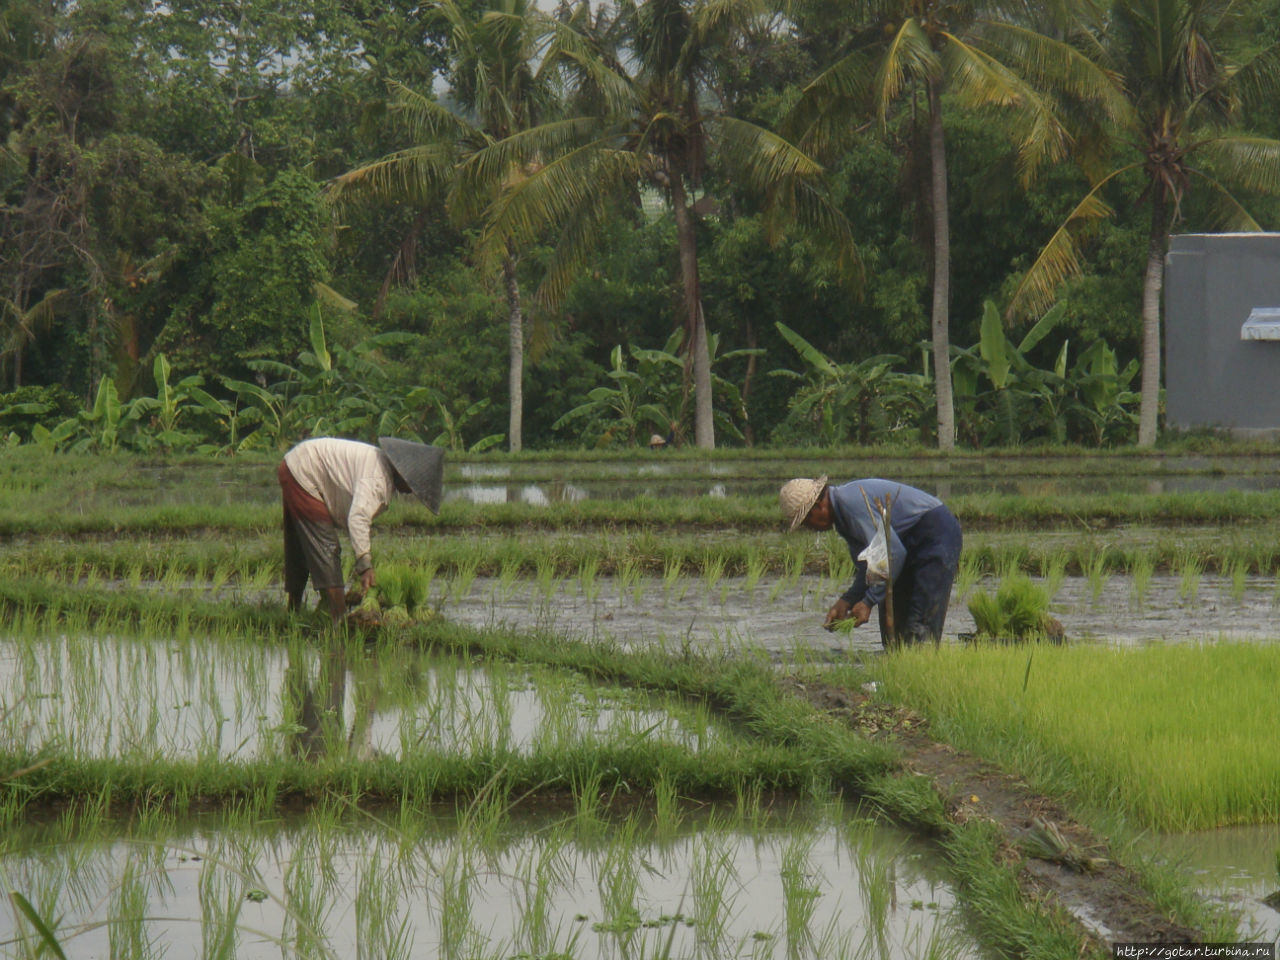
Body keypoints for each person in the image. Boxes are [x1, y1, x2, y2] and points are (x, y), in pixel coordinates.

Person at [278, 436, 444, 626]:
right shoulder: (377, 479)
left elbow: (352, 515)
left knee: (300, 546)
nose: (411, 491)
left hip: (296, 465)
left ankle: (292, 612)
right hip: (303, 471)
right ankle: (338, 620)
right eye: (412, 486)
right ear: (403, 473)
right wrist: (365, 565)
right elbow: (357, 518)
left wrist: (362, 555)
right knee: (327, 549)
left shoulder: (379, 468)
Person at [779, 475, 962, 647]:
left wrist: (868, 602)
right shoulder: (842, 518)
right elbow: (871, 568)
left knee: (920, 624)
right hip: (907, 544)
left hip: (934, 534)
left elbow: (892, 553)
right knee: (895, 631)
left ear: (818, 506)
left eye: (806, 522)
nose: (810, 529)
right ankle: (900, 670)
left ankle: (923, 670)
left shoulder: (851, 503)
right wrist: (848, 600)